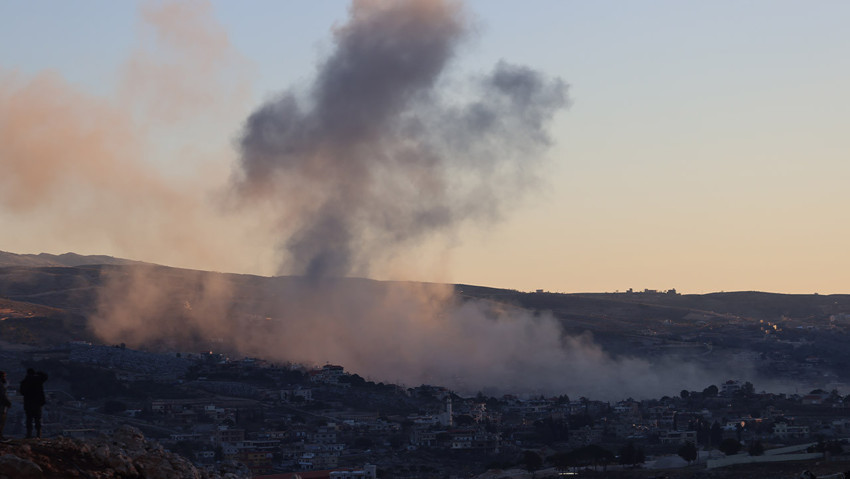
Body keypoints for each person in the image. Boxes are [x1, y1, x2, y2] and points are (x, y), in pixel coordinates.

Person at [19, 368, 48, 438]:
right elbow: (45, 376)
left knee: (29, 419)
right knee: (37, 419)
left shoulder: (25, 381)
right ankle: (38, 434)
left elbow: (22, 392)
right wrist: (38, 373)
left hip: (28, 403)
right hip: (37, 403)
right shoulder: (38, 380)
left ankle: (29, 434)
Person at [0, 371, 10, 440]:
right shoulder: (1, 385)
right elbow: (2, 395)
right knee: (1, 421)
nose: (4, 378)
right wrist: (7, 402)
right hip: (1, 406)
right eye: (3, 376)